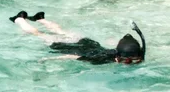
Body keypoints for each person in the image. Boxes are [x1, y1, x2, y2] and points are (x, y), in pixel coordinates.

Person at [11, 11, 145, 65]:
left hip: (86, 42)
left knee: (60, 30)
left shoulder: (118, 53)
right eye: (128, 61)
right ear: (118, 58)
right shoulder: (101, 59)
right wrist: (49, 59)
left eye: (135, 61)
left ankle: (40, 19)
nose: (130, 64)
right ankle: (19, 19)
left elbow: (114, 42)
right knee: (38, 34)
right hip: (70, 47)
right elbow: (72, 56)